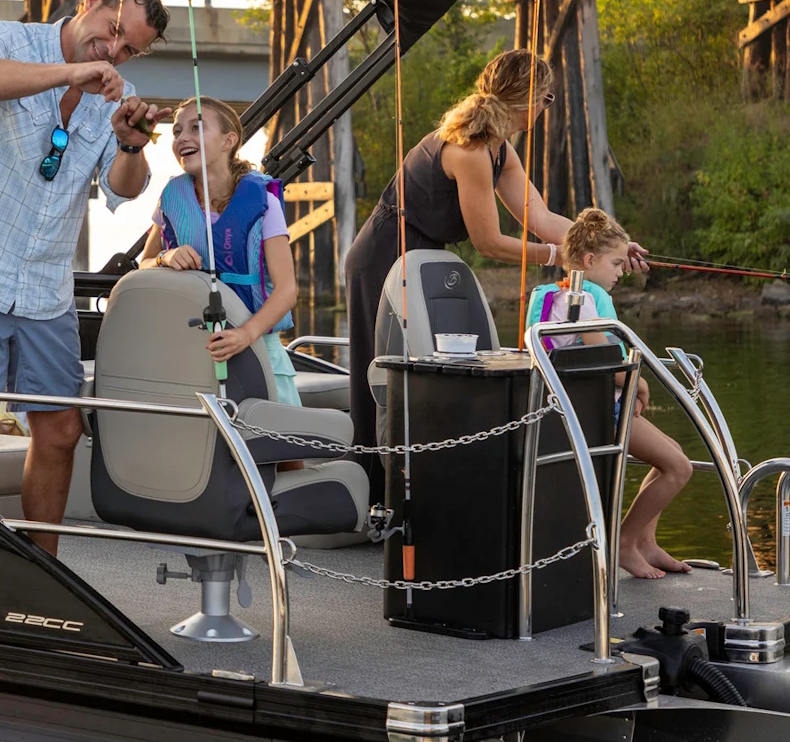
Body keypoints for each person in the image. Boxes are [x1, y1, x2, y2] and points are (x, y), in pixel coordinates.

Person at [0, 0, 170, 554]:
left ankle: (42, 576)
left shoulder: (119, 93)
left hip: (44, 285)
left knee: (61, 429)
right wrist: (71, 73)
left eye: (130, 49)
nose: (114, 51)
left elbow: (123, 190)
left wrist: (131, 145)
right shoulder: (5, 39)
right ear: (92, 1)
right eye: (114, 31)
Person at [342, 49, 648, 503]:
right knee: (383, 375)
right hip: (382, 255)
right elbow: (489, 243)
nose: (546, 107)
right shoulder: (470, 149)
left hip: (425, 256)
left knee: (430, 375)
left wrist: (611, 248)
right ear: (526, 98)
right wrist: (556, 256)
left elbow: (542, 218)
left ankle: (419, 493)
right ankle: (371, 498)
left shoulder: (500, 149)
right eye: (545, 98)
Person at [527, 208, 693, 579]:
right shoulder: (582, 302)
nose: (621, 272)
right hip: (597, 412)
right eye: (616, 263)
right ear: (589, 261)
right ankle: (624, 541)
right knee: (678, 468)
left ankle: (646, 543)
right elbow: (608, 363)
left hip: (583, 405)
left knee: (671, 455)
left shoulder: (551, 297)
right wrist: (640, 384)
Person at [140, 97, 301, 406]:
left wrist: (245, 335)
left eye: (196, 128)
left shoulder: (263, 202)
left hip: (257, 345)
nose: (182, 137)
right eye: (177, 131)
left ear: (229, 141)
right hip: (189, 350)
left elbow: (287, 290)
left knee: (277, 435)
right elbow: (143, 264)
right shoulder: (171, 197)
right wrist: (165, 257)